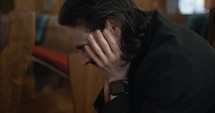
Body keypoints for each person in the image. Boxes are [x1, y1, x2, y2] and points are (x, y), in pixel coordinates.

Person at [58, 0, 215, 113]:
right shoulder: (141, 34)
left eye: (84, 47)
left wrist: (116, 79)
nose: (83, 60)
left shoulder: (171, 64)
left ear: (113, 27)